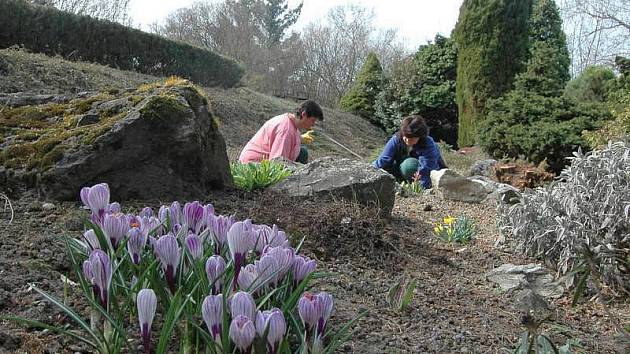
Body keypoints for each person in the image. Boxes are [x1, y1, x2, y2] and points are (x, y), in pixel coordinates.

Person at [373, 115, 447, 189]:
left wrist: (419, 189)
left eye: (412, 138)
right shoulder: (397, 139)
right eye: (405, 137)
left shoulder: (428, 144)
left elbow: (427, 168)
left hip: (426, 174)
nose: (407, 140)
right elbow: (384, 159)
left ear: (420, 136)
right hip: (402, 173)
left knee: (408, 165)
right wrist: (371, 171)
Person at [239, 100, 323, 164]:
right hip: (253, 165)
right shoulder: (285, 130)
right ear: (304, 114)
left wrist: (300, 138)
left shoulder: (292, 123)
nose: (313, 124)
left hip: (264, 160)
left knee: (302, 152)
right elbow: (277, 162)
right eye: (313, 120)